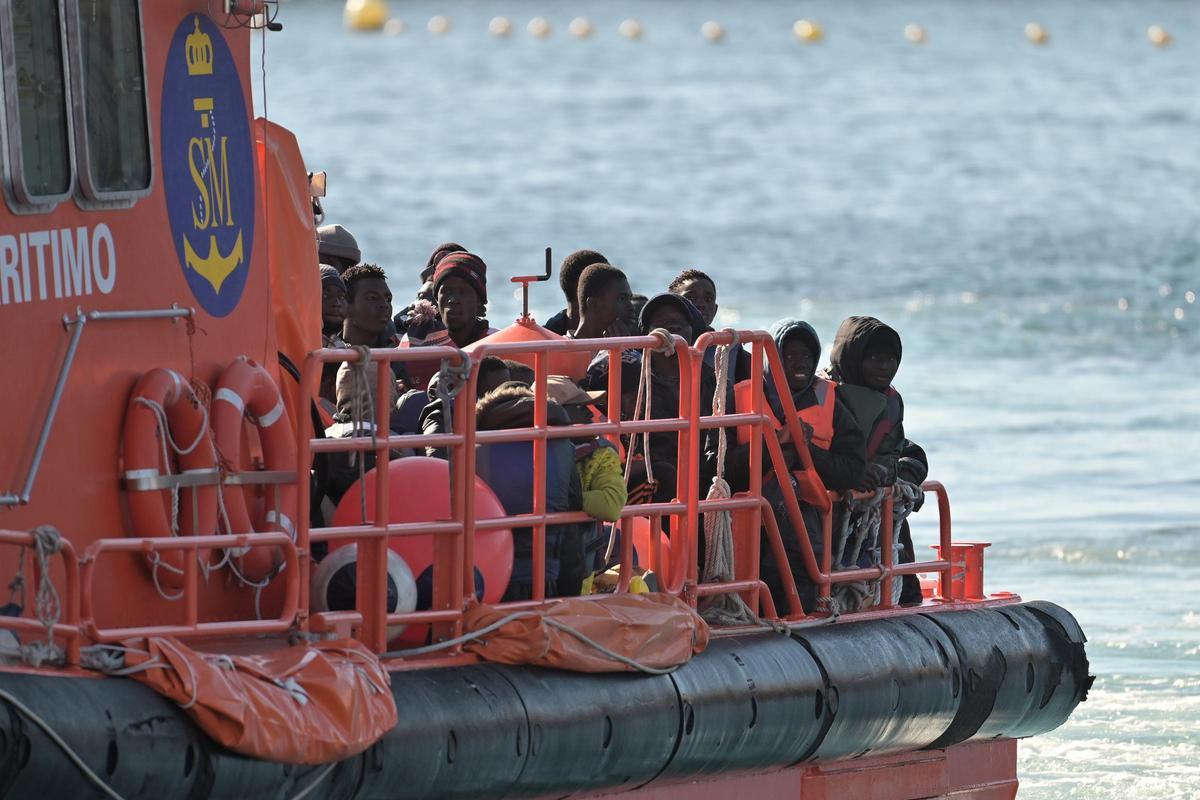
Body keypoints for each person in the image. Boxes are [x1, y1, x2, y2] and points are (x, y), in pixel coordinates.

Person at [724, 318, 867, 612]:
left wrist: (806, 450)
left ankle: (801, 607)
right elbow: (716, 467)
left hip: (809, 515)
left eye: (805, 354)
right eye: (788, 355)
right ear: (772, 358)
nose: (797, 361)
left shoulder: (831, 399)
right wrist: (771, 448)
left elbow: (853, 469)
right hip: (749, 515)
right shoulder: (738, 399)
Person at [825, 316, 927, 604]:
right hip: (829, 502)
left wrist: (899, 476)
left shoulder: (891, 401)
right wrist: (853, 473)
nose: (885, 367)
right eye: (875, 358)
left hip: (874, 503)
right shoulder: (823, 394)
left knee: (893, 517)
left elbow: (898, 449)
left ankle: (906, 591)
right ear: (854, 357)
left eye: (891, 359)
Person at [473, 382, 587, 601]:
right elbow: (573, 509)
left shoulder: (473, 447)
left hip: (483, 577)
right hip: (544, 575)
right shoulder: (561, 446)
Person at [546, 375, 627, 595]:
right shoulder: (523, 447)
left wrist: (560, 499)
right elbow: (610, 504)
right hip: (557, 574)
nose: (590, 413)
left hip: (561, 570)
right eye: (579, 407)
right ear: (556, 414)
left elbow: (610, 505)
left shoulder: (599, 453)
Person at [401, 251, 497, 389]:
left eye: (463, 292)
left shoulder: (496, 344)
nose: (453, 300)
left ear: (479, 302)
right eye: (447, 291)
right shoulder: (415, 341)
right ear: (436, 299)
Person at [669, 268, 751, 383]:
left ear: (715, 310)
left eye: (708, 299)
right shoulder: (659, 346)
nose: (701, 304)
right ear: (671, 306)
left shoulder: (730, 349)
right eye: (691, 298)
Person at [543, 249, 608, 335]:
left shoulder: (625, 328)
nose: (629, 306)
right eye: (620, 298)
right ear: (583, 288)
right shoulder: (544, 340)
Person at [570, 264, 632, 340]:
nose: (631, 307)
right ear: (593, 304)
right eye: (622, 298)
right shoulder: (557, 349)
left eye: (630, 299)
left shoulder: (630, 350)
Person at [318, 265, 349, 408]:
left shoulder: (346, 350)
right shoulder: (295, 346)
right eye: (325, 295)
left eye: (341, 297)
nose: (336, 304)